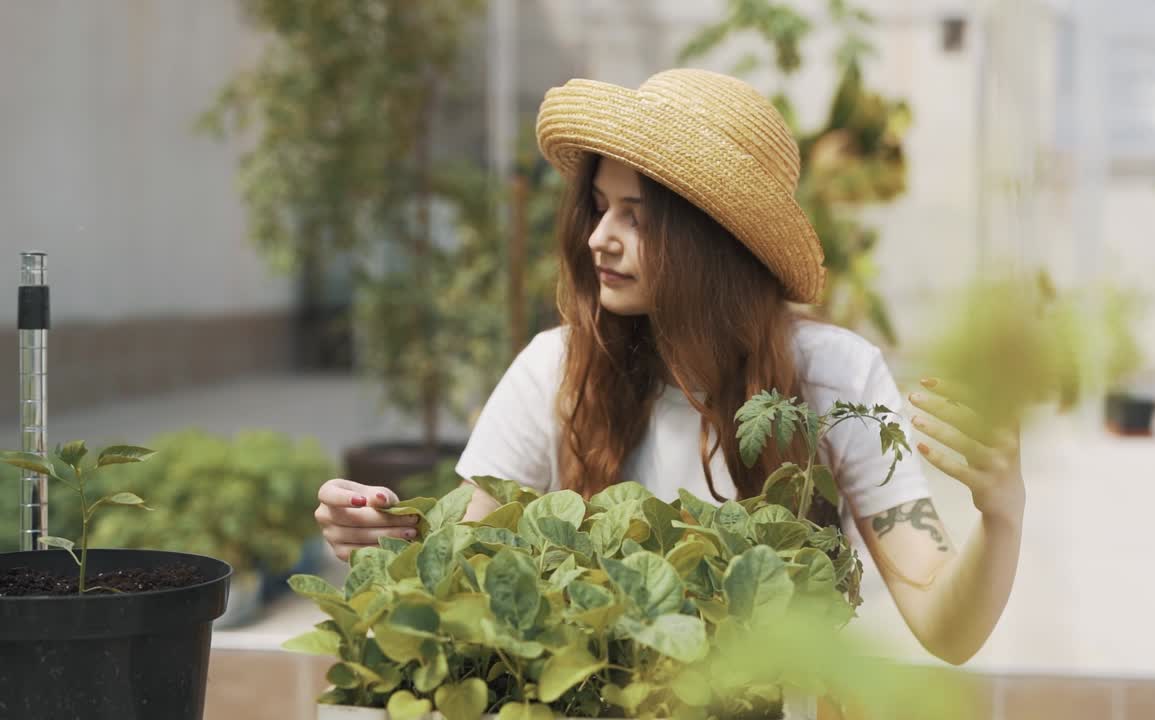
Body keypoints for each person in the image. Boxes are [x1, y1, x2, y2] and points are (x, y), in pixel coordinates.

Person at [314, 69, 1024, 665]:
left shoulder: (836, 376)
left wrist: (1001, 519)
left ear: (713, 241)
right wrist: (384, 536)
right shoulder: (554, 369)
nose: (598, 239)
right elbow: (463, 575)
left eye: (637, 216)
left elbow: (944, 627)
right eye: (597, 208)